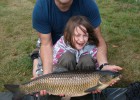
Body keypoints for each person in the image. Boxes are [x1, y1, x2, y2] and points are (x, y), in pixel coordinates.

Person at [32, 0, 122, 97]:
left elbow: (98, 40)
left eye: (85, 35)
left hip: (83, 48)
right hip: (55, 47)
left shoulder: (88, 4)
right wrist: (46, 77)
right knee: (43, 71)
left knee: (87, 60)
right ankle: (36, 59)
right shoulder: (42, 6)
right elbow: (46, 44)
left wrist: (103, 66)